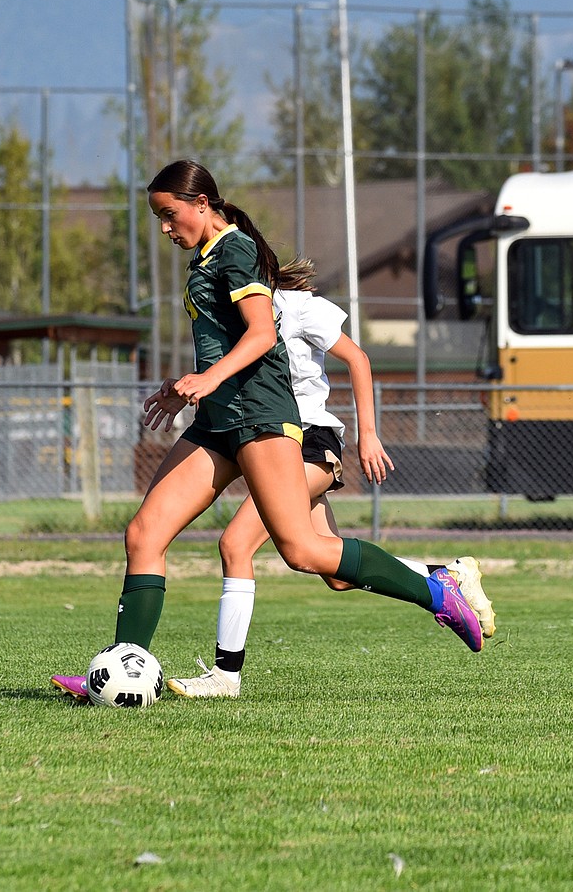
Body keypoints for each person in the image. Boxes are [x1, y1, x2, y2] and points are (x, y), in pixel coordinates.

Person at [52, 160, 486, 700]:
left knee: (303, 551)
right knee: (143, 534)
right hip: (217, 422)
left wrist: (207, 378)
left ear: (201, 204)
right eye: (158, 218)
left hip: (260, 416)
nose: (165, 227)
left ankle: (434, 590)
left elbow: (260, 335)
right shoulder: (205, 258)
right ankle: (117, 669)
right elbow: (222, 341)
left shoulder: (235, 251)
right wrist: (182, 385)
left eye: (169, 215)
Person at [166, 257, 496, 698]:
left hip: (307, 441)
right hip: (271, 444)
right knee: (334, 571)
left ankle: (226, 676)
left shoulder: (297, 306)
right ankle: (445, 572)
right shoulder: (231, 314)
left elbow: (357, 358)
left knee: (235, 543)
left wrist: (369, 435)